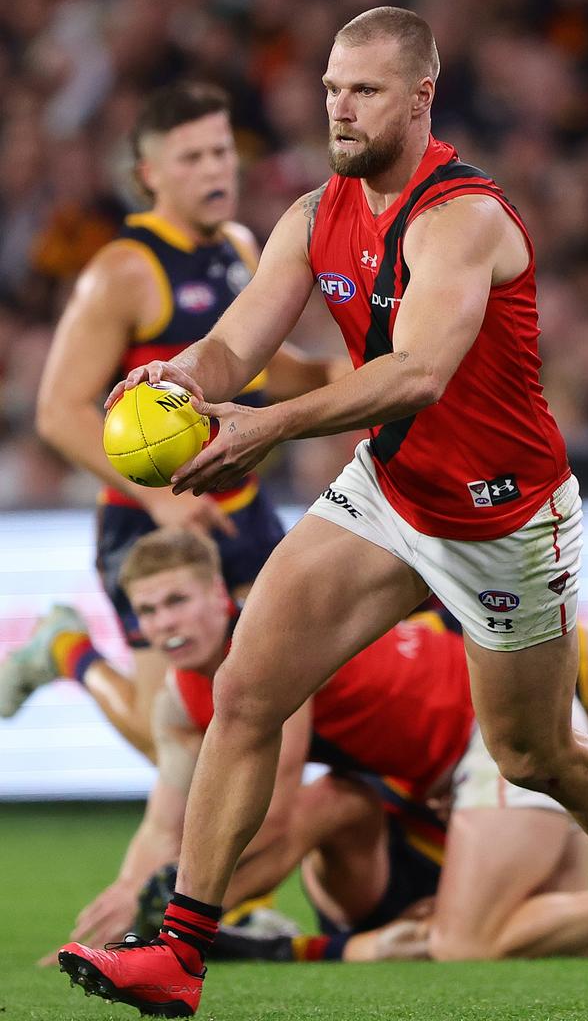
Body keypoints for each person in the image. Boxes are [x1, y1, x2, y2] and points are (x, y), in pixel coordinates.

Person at [59, 7, 588, 1015]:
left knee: (532, 753)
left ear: (421, 96)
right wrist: (173, 379)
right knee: (245, 691)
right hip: (392, 488)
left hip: (505, 520)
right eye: (333, 87)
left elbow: (415, 375)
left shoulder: (465, 217)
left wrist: (262, 428)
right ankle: (179, 952)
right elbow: (231, 350)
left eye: (364, 90)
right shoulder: (310, 215)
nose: (340, 106)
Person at [48, 526, 588, 967]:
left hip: (494, 735)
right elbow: (162, 824)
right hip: (446, 777)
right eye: (147, 611)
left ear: (217, 594)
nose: (163, 624)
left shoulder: (263, 648)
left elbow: (273, 821)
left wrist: (167, 916)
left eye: (176, 601)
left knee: (464, 944)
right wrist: (125, 904)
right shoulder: (177, 700)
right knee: (561, 943)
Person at [3, 81, 343, 759]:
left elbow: (265, 368)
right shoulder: (121, 271)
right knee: (177, 744)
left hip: (241, 506)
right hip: (149, 519)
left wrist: (345, 376)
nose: (215, 169)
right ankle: (66, 651)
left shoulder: (244, 247)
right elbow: (59, 411)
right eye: (190, 158)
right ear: (147, 174)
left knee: (268, 703)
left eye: (221, 152)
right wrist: (160, 505)